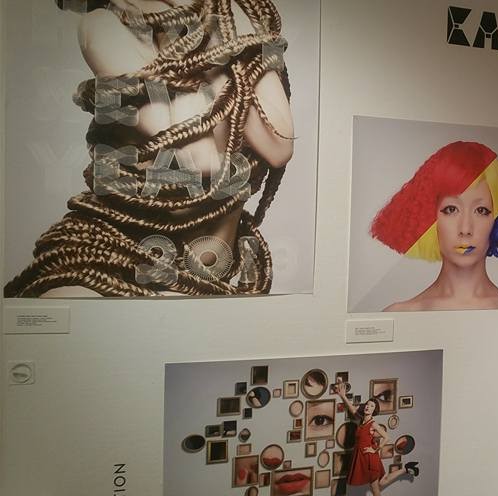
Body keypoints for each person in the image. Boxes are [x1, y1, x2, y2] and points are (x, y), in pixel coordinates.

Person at [5, 0, 294, 297]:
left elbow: (279, 146)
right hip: (115, 257)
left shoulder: (231, 27)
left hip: (199, 273)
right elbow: (197, 157)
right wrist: (204, 46)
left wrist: (220, 30)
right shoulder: (103, 27)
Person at [369, 141, 498, 311]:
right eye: (451, 209)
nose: (465, 229)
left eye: (481, 211)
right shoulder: (399, 314)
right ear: (428, 217)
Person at [334, 379, 418, 496]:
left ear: (374, 410)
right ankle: (406, 469)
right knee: (381, 482)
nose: (368, 407)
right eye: (367, 404)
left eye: (371, 406)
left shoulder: (373, 424)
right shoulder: (361, 420)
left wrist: (375, 449)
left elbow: (387, 437)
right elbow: (352, 410)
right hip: (362, 457)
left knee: (376, 488)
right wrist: (343, 395)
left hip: (370, 458)